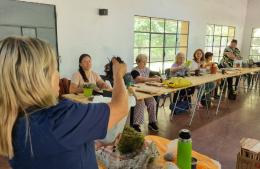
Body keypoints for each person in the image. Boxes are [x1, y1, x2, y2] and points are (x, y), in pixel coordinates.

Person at [0, 37, 128, 169]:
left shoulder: (8, 120)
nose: (58, 74)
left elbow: (54, 149)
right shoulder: (62, 116)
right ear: (39, 78)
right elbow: (121, 107)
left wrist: (91, 142)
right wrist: (118, 75)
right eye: (55, 68)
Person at [130, 54, 160, 132]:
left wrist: (156, 77)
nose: (145, 64)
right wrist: (153, 79)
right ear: (137, 62)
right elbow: (140, 79)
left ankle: (152, 122)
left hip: (145, 91)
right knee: (140, 103)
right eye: (143, 62)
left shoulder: (147, 69)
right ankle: (136, 124)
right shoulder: (134, 71)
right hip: (135, 91)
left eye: (146, 62)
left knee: (152, 102)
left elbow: (152, 75)